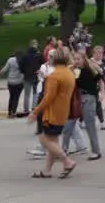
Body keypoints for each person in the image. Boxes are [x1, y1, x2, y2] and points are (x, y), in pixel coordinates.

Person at [28, 48, 77, 179]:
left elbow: (48, 98)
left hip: (52, 113)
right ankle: (47, 170)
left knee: (44, 138)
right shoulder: (69, 74)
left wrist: (35, 111)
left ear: (54, 59)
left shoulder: (54, 76)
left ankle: (67, 162)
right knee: (53, 140)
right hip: (63, 112)